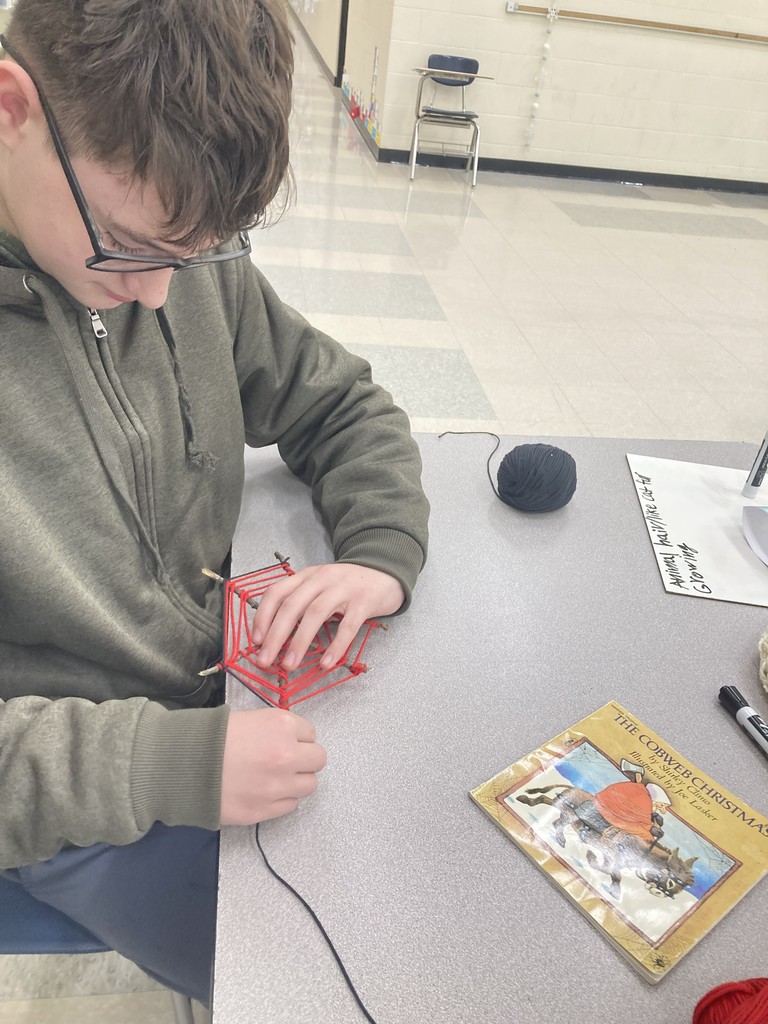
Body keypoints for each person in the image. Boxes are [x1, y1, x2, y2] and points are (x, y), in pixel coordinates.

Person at [0, 0, 429, 1007]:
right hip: (77, 791)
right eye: (130, 245)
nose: (160, 295)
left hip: (232, 702)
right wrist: (164, 764)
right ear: (11, 107)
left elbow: (343, 401)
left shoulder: (180, 263)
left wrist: (378, 552)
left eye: (195, 255)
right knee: (343, 981)